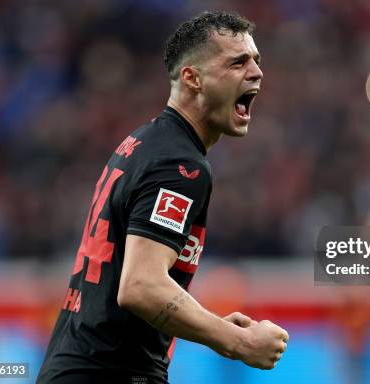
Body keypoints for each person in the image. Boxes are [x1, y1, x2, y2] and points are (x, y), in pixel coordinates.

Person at [38, 11, 288, 384]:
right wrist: (237, 342)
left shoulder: (144, 144)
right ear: (192, 78)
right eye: (238, 62)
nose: (256, 72)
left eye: (256, 61)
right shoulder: (179, 165)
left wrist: (209, 322)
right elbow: (140, 287)